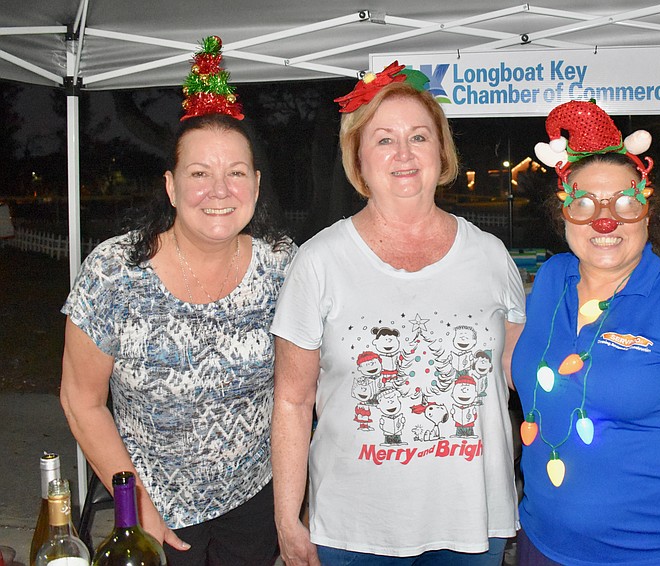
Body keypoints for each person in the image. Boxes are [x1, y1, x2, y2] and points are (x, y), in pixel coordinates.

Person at [270, 61, 526, 566]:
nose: (404, 154)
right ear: (359, 159)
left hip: (471, 523)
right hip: (354, 529)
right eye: (384, 139)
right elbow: (293, 402)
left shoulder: (491, 255)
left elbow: (521, 377)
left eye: (419, 137)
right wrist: (286, 518)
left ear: (442, 152)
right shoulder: (318, 261)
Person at [60, 36, 295, 566]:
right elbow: (81, 400)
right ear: (170, 186)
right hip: (152, 509)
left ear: (255, 185)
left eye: (235, 172)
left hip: (256, 503)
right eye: (199, 173)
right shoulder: (114, 271)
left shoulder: (285, 265)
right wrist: (135, 504)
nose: (219, 189)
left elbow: (310, 385)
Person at [512, 100, 660, 565]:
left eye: (626, 202)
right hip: (543, 542)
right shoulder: (549, 280)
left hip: (659, 549)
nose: (606, 220)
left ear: (647, 212)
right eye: (584, 203)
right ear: (563, 213)